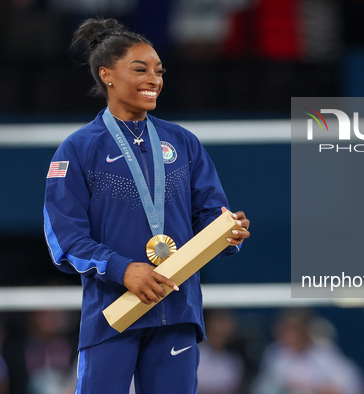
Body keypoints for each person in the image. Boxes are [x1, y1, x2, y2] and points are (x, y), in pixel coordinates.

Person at [43, 18, 250, 394]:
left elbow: (210, 213)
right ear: (107, 75)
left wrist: (227, 233)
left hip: (178, 308)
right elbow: (66, 239)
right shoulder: (78, 149)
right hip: (114, 310)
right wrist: (123, 270)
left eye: (159, 71)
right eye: (140, 69)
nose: (154, 79)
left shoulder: (183, 142)